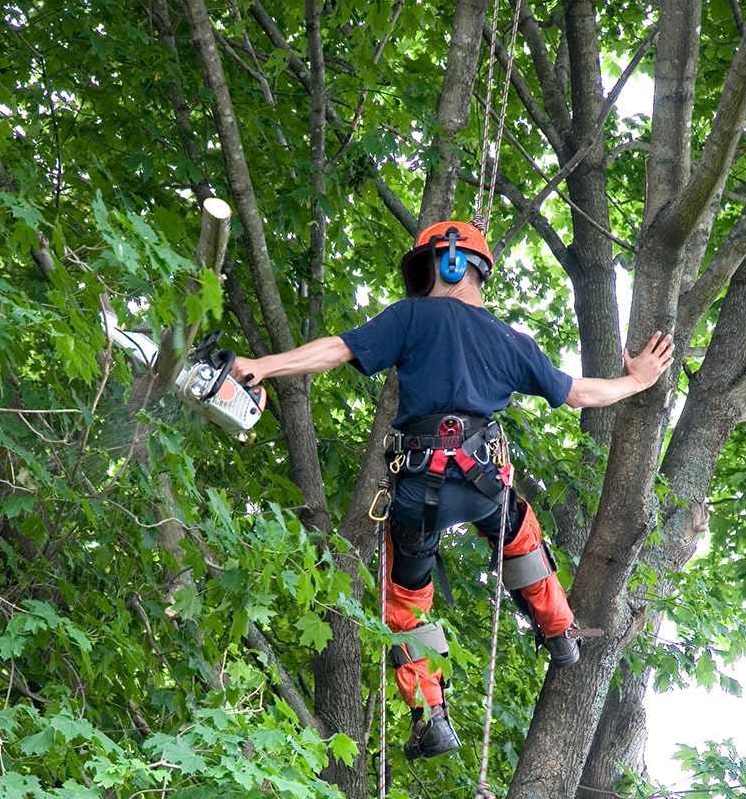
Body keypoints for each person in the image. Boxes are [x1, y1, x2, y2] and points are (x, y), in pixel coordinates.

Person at [230, 220, 675, 760]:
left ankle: (430, 716)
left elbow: (336, 350)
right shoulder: (512, 342)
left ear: (449, 262)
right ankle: (558, 632)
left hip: (419, 489)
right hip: (484, 482)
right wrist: (637, 381)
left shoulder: (411, 317)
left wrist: (261, 366)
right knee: (520, 532)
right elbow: (579, 393)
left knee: (406, 604)